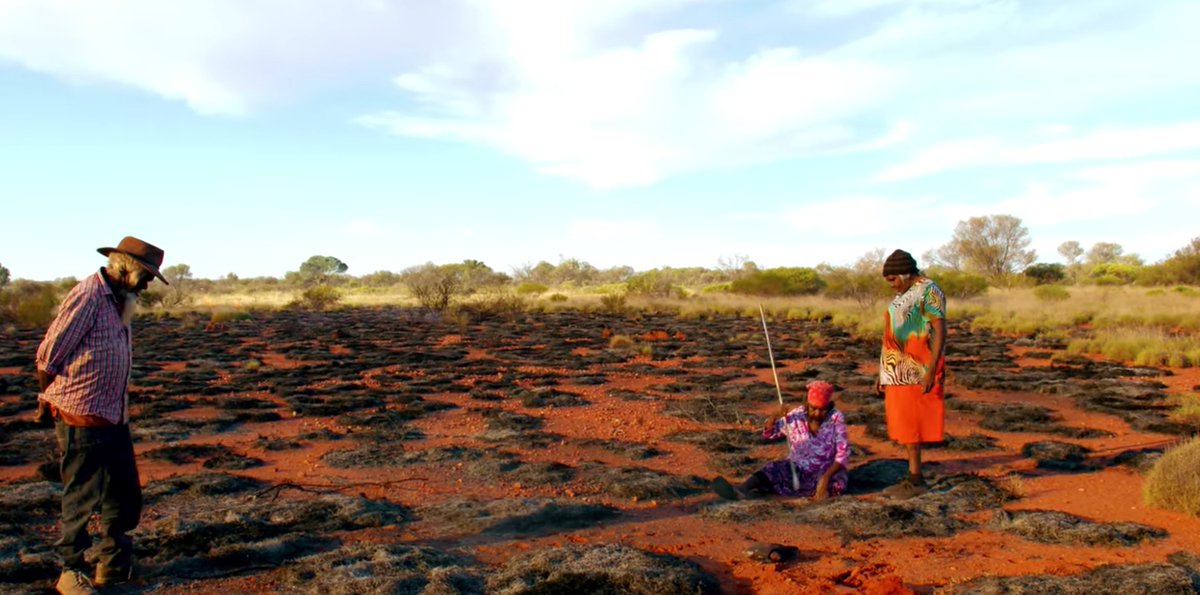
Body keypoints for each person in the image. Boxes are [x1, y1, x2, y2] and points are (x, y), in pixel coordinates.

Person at [35, 236, 168, 595]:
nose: (149, 282)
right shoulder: (89, 296)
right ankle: (70, 571)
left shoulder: (121, 301)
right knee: (82, 496)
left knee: (123, 495)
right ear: (125, 267)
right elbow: (48, 356)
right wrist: (49, 398)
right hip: (81, 416)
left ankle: (112, 564)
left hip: (112, 415)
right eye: (147, 274)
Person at [874, 249, 946, 499]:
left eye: (893, 279)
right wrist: (884, 372)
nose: (892, 285)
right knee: (902, 424)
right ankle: (912, 478)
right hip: (898, 371)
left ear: (905, 274)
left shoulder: (929, 290)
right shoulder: (904, 295)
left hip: (917, 369)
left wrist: (932, 370)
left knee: (913, 424)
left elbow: (939, 330)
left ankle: (917, 480)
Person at [711, 381, 850, 500]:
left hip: (826, 472)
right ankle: (742, 489)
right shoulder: (797, 415)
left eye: (822, 410)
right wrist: (774, 416)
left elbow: (842, 456)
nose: (817, 414)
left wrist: (825, 479)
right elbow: (769, 434)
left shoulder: (836, 419)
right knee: (773, 469)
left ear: (830, 406)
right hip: (797, 469)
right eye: (813, 409)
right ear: (807, 404)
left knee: (835, 487)